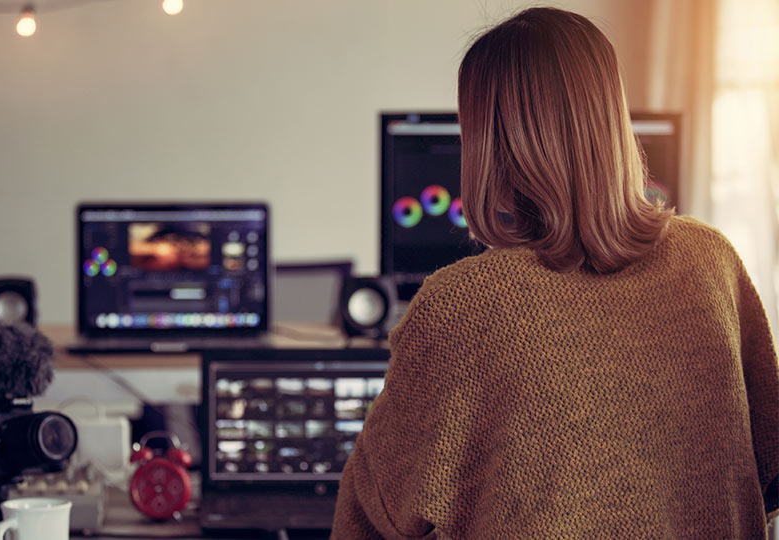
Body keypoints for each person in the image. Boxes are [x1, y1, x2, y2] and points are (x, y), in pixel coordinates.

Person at [332, 7, 779, 539]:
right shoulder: (711, 259)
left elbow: (373, 514)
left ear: (487, 144)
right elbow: (769, 470)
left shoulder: (462, 304)